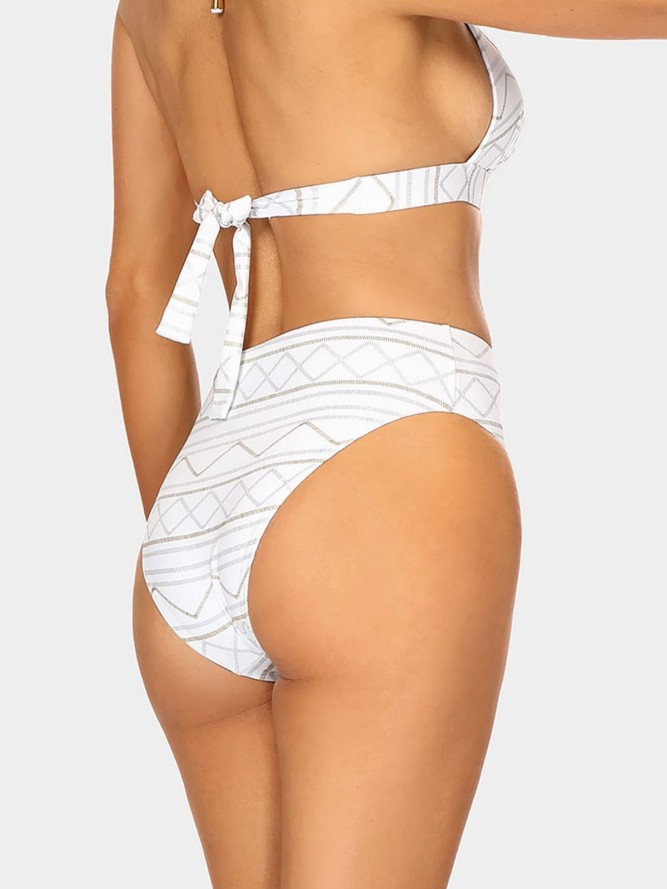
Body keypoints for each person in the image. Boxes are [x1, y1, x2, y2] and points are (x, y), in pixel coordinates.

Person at [106, 2, 666, 886]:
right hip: (382, 464)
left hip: (201, 511)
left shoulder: (145, 12)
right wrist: (308, 550)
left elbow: (135, 293)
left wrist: (207, 539)